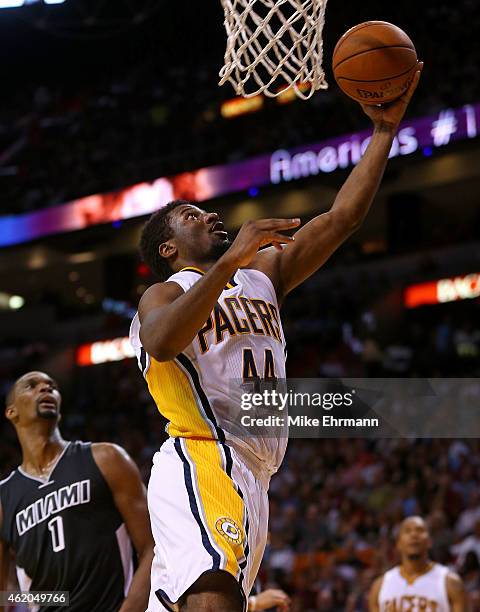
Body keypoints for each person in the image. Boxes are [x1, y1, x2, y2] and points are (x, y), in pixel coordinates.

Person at [130, 63, 424, 612]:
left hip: (256, 474)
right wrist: (230, 262)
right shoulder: (165, 293)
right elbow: (164, 342)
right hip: (203, 455)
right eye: (192, 216)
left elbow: (342, 219)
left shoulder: (261, 275)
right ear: (167, 249)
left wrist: (384, 133)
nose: (211, 216)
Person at [0, 371, 154, 612]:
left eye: (51, 386)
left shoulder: (107, 459)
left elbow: (152, 548)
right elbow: (3, 595)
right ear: (11, 412)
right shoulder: (3, 498)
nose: (45, 388)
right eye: (32, 386)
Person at [368, 516, 467, 611]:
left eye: (420, 530)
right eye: (407, 531)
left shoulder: (450, 582)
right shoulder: (379, 586)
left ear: (429, 541)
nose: (414, 535)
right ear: (398, 544)